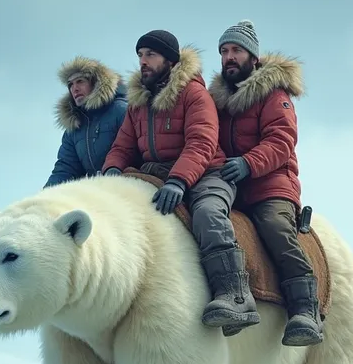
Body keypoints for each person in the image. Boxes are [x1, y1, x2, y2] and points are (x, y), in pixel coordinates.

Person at [102, 29, 260, 335]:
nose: (143, 62)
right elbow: (122, 146)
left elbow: (202, 142)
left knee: (208, 213)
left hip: (207, 172)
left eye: (150, 55)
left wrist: (178, 181)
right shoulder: (138, 103)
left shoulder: (194, 94)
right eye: (140, 55)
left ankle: (236, 296)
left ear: (171, 61)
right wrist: (111, 170)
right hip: (156, 173)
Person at [208, 19, 323, 347]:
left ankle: (305, 308)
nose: (229, 57)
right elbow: (205, 137)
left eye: (236, 50)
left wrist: (248, 163)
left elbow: (282, 139)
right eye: (224, 51)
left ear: (253, 57)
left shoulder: (274, 94)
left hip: (271, 182)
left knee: (274, 226)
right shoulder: (216, 100)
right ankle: (230, 293)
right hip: (230, 183)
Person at [44, 56, 128, 187]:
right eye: (70, 84)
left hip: (127, 182)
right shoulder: (74, 127)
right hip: (95, 190)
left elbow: (133, 148)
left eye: (80, 81)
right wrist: (45, 195)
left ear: (95, 83)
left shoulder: (121, 110)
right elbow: (66, 167)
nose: (74, 89)